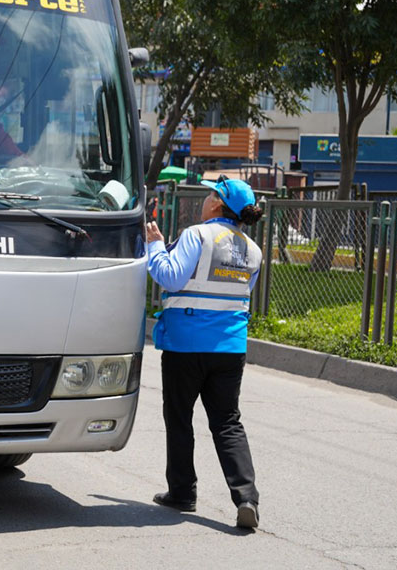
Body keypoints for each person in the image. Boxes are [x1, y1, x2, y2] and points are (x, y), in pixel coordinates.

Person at [145, 176, 264, 530]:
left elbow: (168, 276)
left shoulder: (197, 235)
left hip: (185, 346)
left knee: (180, 417)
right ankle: (246, 498)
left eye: (209, 194)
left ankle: (183, 493)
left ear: (216, 204)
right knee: (227, 422)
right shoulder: (253, 251)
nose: (205, 199)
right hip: (230, 349)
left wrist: (155, 246)